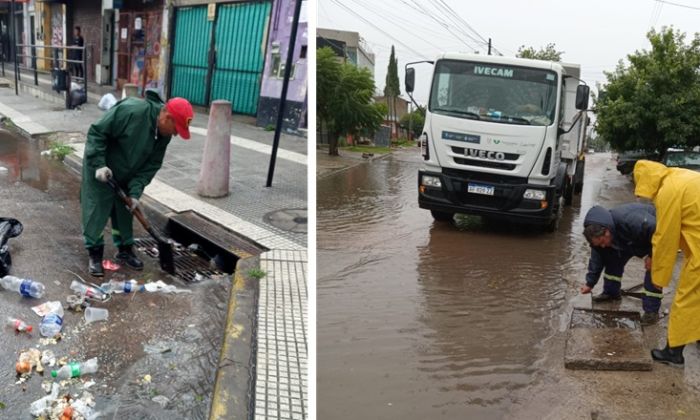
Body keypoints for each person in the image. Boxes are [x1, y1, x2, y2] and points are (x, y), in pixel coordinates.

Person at [81, 91, 193, 277]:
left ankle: (125, 250)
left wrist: (135, 192)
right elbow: (97, 133)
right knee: (96, 210)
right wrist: (99, 164)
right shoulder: (132, 111)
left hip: (127, 172)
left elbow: (151, 166)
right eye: (176, 128)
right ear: (166, 116)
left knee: (125, 212)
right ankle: (95, 254)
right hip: (101, 167)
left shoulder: (163, 135)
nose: (175, 134)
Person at [633, 160, 700, 365]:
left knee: (686, 299)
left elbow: (665, 238)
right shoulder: (681, 176)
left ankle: (673, 352)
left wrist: (659, 277)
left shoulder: (668, 192)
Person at [580, 204, 662, 326]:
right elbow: (596, 260)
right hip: (626, 241)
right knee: (611, 258)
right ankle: (611, 293)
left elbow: (660, 233)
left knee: (653, 271)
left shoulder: (631, 221)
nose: (602, 246)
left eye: (602, 242)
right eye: (598, 245)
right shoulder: (599, 241)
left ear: (606, 231)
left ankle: (651, 313)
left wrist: (652, 255)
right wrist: (589, 283)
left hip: (652, 237)